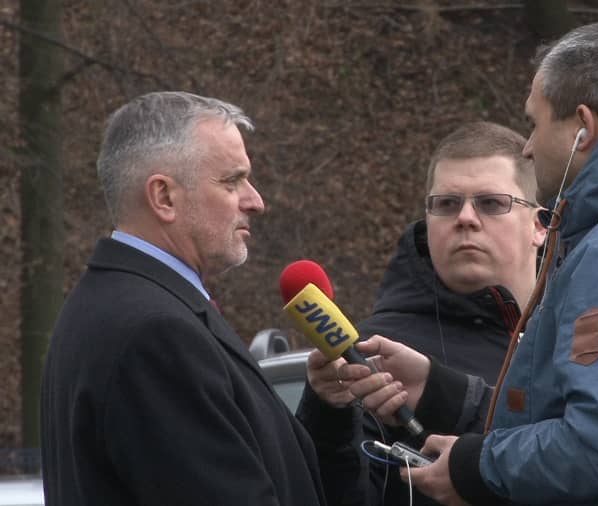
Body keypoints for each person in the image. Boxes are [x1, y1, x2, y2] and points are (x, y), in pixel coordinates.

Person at [336, 21, 598, 505]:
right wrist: (441, 393)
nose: (528, 146)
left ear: (583, 127)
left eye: (535, 123)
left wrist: (479, 468)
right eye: (447, 204)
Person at [40, 92, 363, 506]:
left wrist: (327, 411)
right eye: (232, 182)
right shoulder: (155, 334)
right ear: (164, 197)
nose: (256, 201)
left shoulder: (111, 304)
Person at [305, 121, 546, 505]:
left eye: (491, 203)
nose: (465, 218)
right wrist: (329, 415)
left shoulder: (583, 330)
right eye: (446, 204)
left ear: (540, 225)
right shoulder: (377, 352)